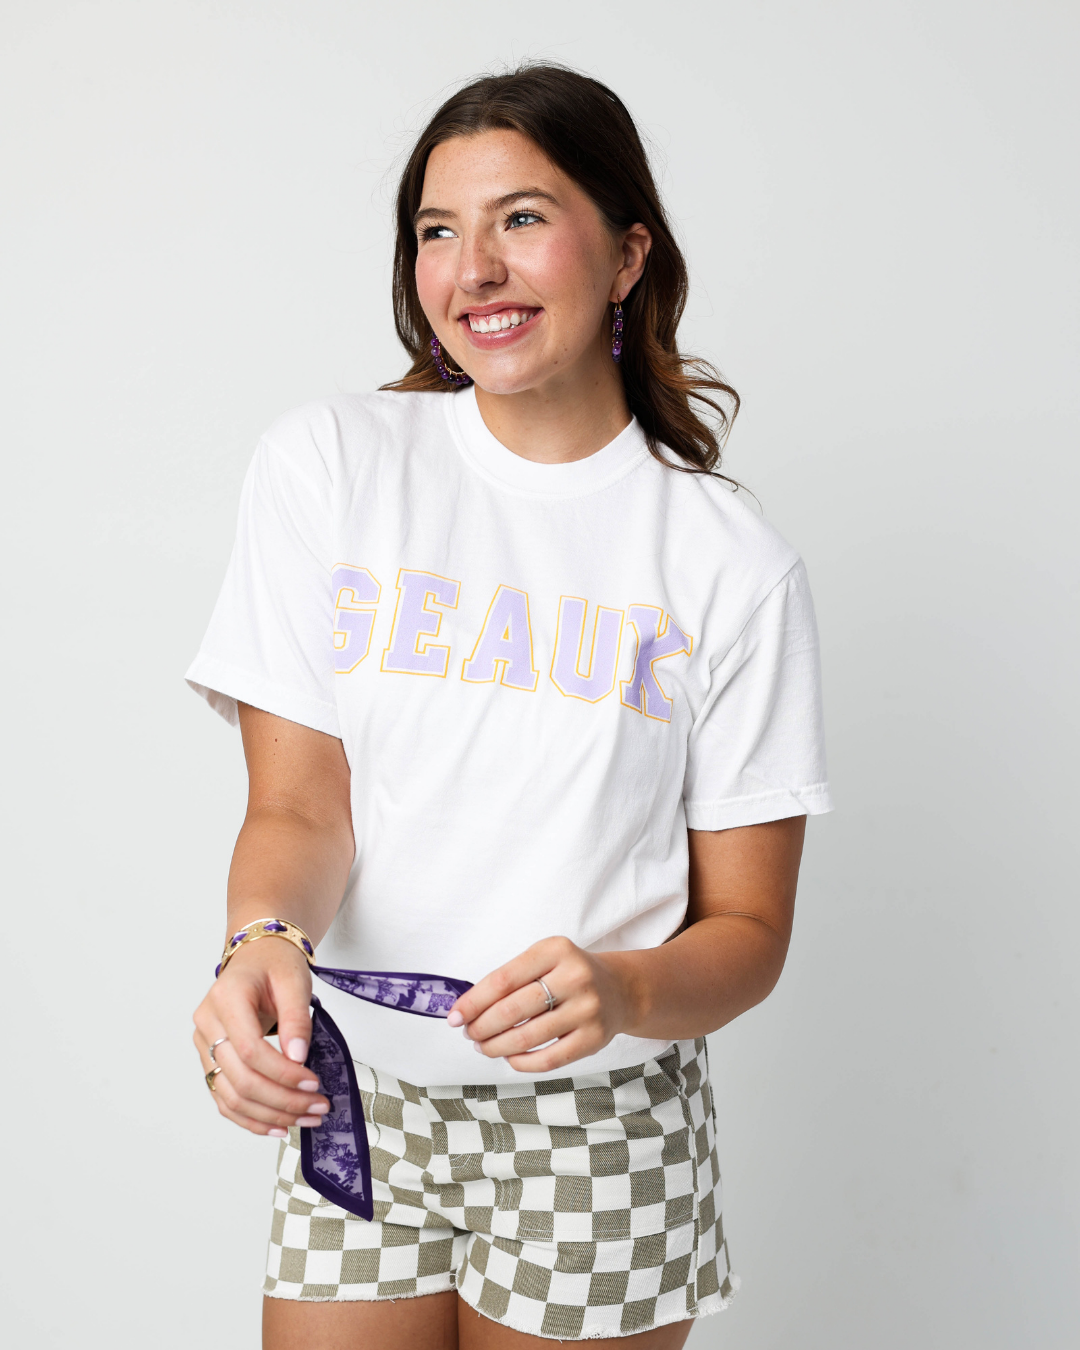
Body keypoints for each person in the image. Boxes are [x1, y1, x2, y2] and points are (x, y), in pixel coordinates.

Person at [188, 62, 831, 1350]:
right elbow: (302, 807)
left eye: (522, 218)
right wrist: (262, 940)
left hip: (603, 1127)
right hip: (359, 1094)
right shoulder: (331, 467)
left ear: (629, 253)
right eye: (438, 231)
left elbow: (750, 933)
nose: (474, 268)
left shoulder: (728, 563)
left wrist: (623, 991)